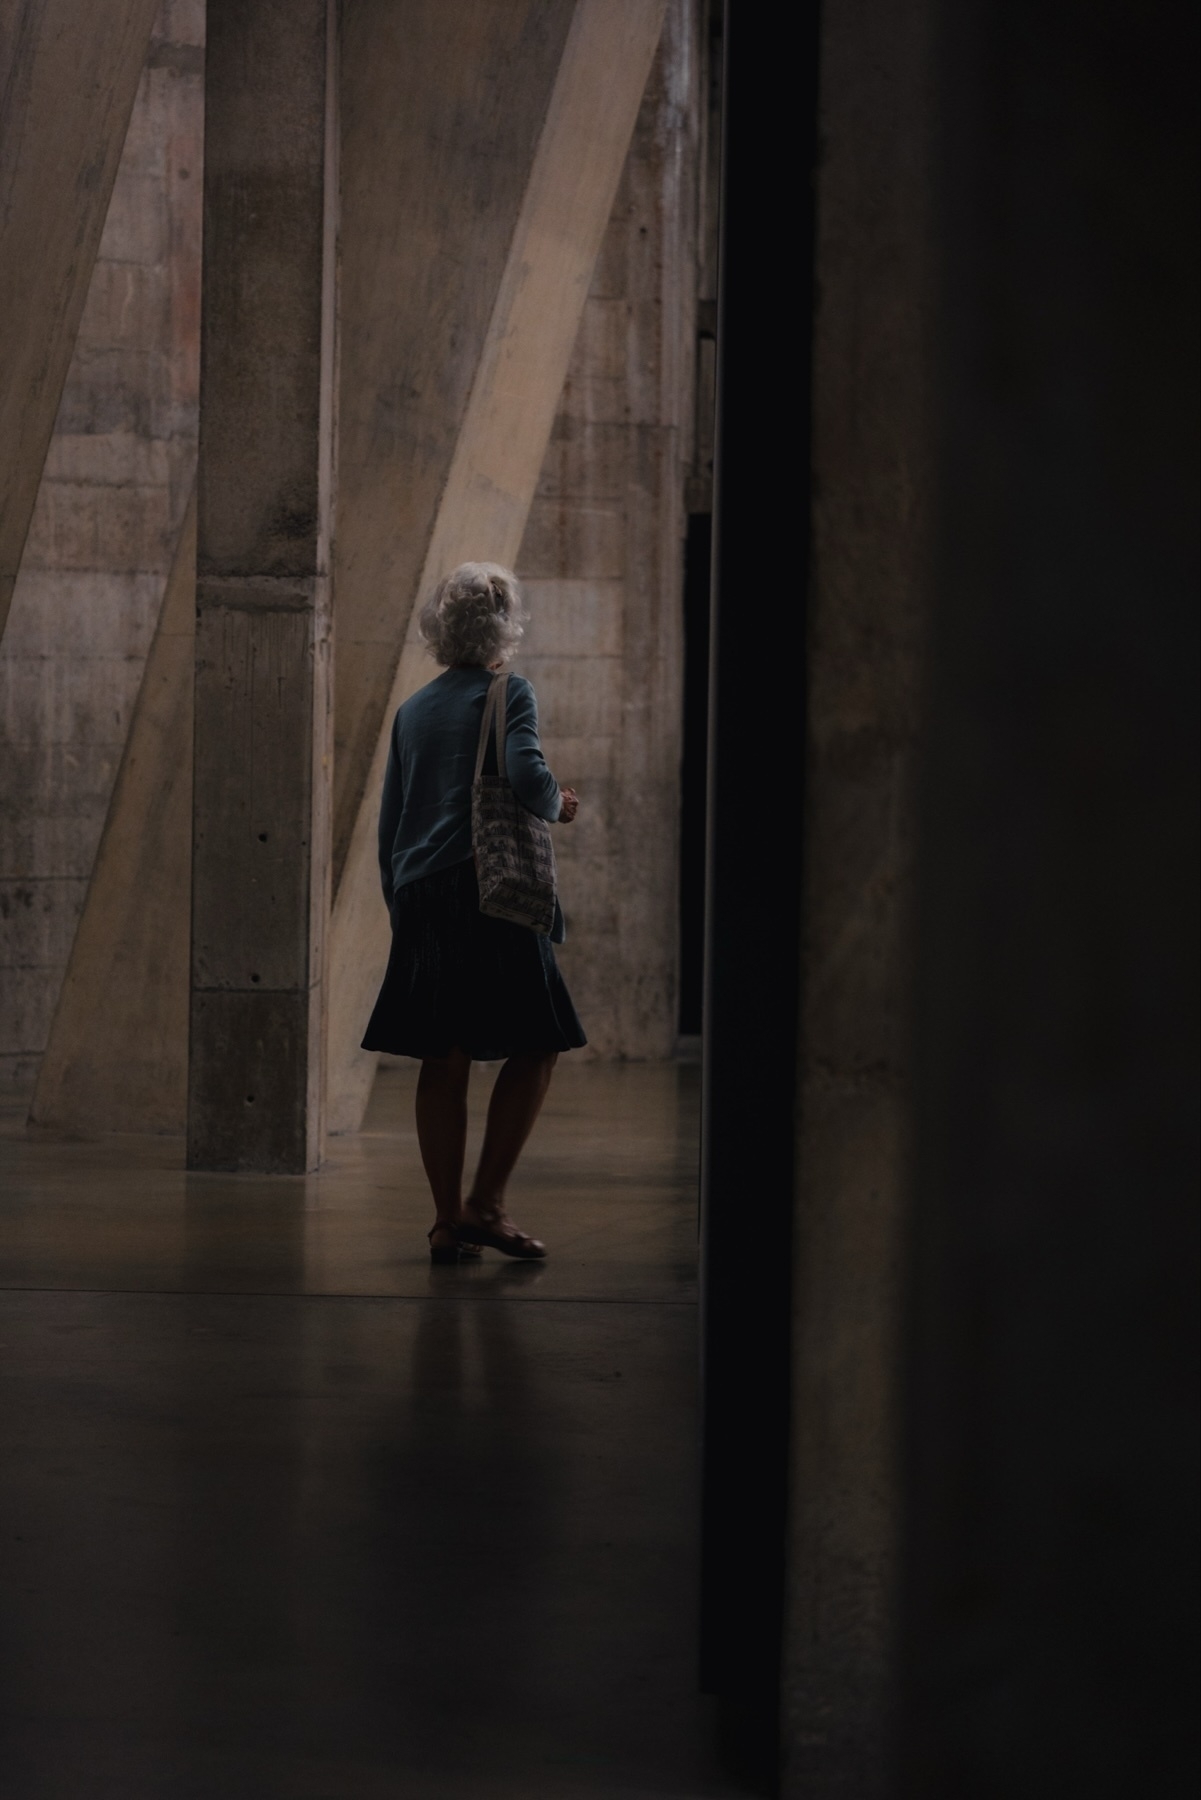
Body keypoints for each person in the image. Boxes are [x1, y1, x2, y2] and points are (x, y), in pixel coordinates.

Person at [362, 561, 585, 1263]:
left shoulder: (413, 710)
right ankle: (484, 1205)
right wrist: (559, 804)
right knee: (539, 1039)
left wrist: (402, 906)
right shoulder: (507, 692)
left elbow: (390, 823)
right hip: (488, 889)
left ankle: (442, 1220)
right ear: (505, 625)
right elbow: (524, 775)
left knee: (444, 1052)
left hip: (421, 891)